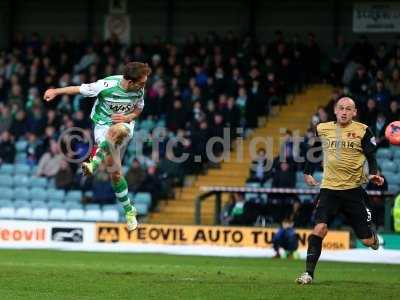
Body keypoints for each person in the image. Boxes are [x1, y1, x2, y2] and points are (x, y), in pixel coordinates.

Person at [43, 62, 151, 231]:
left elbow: (138, 109)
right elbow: (79, 89)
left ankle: (93, 162)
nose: (144, 85)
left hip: (124, 124)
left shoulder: (138, 90)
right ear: (130, 82)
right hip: (102, 125)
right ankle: (129, 210)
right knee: (114, 173)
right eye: (142, 82)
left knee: (118, 130)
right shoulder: (105, 86)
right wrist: (56, 91)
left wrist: (128, 117)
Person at [296, 97, 384, 285]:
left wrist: (374, 174)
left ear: (354, 112)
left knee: (367, 241)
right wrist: (307, 172)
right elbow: (314, 151)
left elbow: (371, 155)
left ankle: (373, 236)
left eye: (348, 109)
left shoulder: (363, 130)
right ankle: (308, 274)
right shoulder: (324, 128)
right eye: (341, 108)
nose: (344, 112)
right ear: (335, 111)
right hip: (329, 189)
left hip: (353, 191)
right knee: (319, 228)